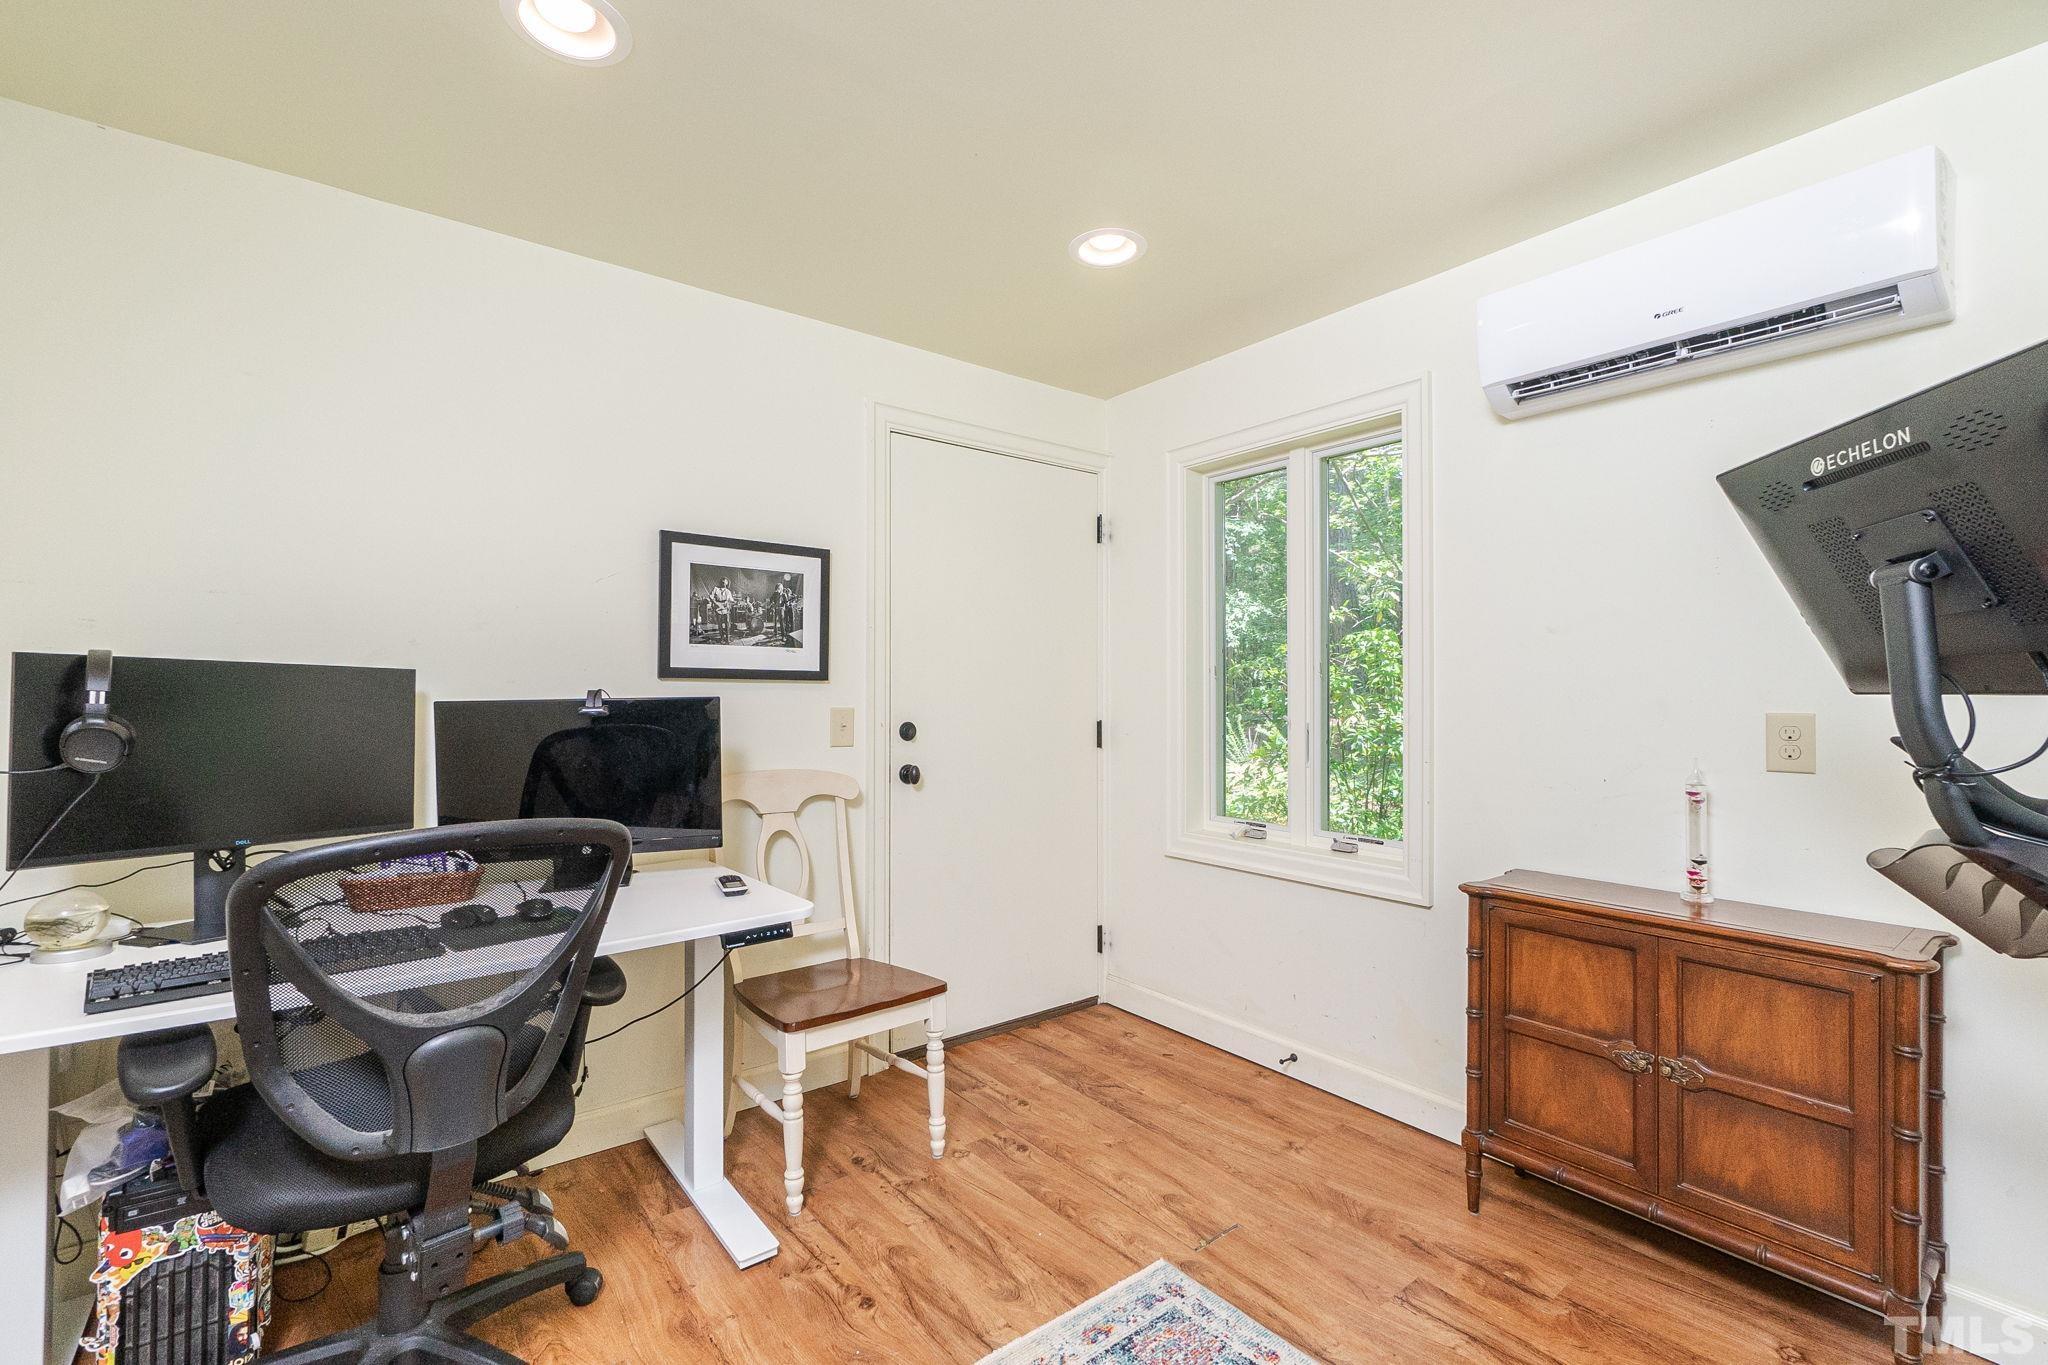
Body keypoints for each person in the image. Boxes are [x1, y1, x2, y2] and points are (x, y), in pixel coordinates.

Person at [708, 577, 736, 643]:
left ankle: (727, 638)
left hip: (726, 609)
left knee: (727, 623)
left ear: (727, 583)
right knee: (720, 624)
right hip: (718, 608)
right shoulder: (716, 589)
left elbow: (731, 600)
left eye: (725, 582)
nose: (723, 582)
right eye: (722, 581)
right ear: (720, 582)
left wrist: (733, 602)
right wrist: (716, 604)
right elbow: (710, 596)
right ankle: (722, 638)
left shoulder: (728, 591)